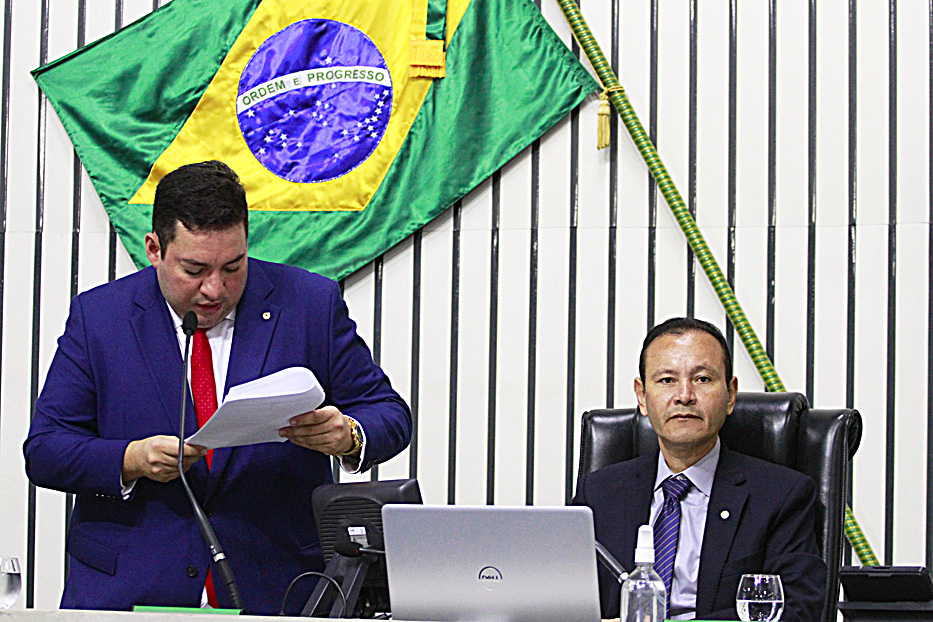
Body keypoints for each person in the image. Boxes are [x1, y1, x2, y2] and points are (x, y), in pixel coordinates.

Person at [23, 161, 412, 615]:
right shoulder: (99, 318)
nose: (215, 289)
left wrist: (348, 434)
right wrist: (130, 460)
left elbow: (388, 413)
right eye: (194, 269)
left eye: (233, 266)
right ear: (154, 248)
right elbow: (46, 450)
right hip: (130, 589)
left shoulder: (309, 304)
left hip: (277, 585)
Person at [574, 317, 826, 621]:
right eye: (666, 380)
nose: (684, 395)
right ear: (642, 395)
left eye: (702, 379)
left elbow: (796, 611)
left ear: (730, 393)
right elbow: (559, 599)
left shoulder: (782, 496)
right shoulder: (600, 493)